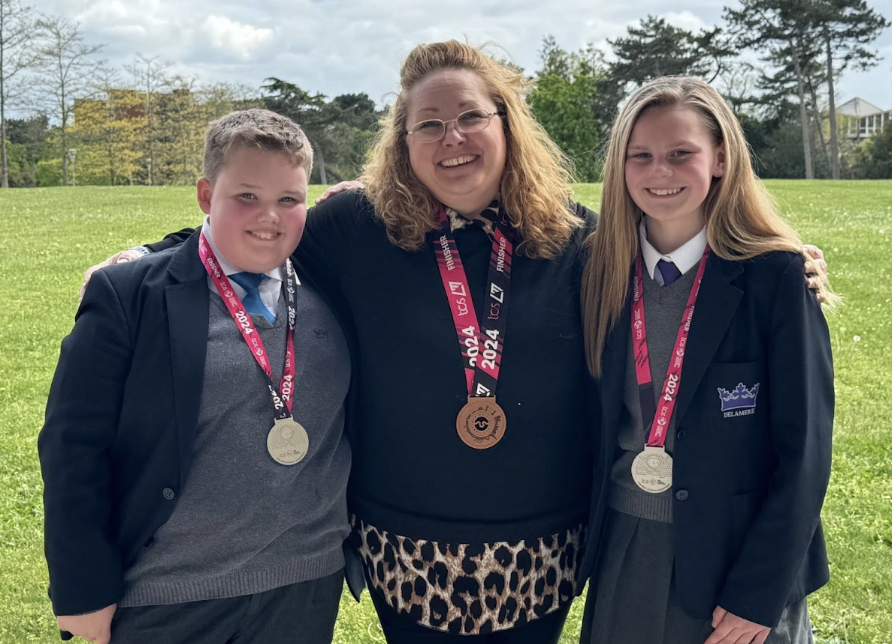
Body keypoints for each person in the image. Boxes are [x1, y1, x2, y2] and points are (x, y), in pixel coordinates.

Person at [82, 43, 828, 644]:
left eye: (470, 116)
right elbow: (262, 229)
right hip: (405, 548)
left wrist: (786, 262)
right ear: (403, 144)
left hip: (544, 549)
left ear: (507, 125)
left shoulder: (581, 241)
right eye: (427, 124)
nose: (452, 138)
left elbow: (694, 249)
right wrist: (155, 256)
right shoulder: (356, 230)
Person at [39, 109, 352, 644]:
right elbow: (74, 446)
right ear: (206, 195)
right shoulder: (130, 295)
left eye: (288, 200)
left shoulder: (334, 281)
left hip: (304, 585)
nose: (268, 217)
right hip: (168, 596)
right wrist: (82, 588)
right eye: (246, 197)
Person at [576, 76, 835, 644]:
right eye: (639, 155)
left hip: (737, 561)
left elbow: (806, 456)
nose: (658, 172)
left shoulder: (776, 278)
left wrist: (759, 594)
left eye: (680, 153)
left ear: (719, 159)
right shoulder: (595, 269)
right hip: (627, 547)